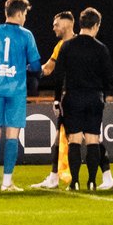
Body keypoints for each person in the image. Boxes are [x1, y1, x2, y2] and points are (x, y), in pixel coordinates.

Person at [49, 8, 113, 190]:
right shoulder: (101, 48)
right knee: (93, 139)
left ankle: (75, 182)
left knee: (75, 139)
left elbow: (59, 75)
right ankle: (92, 181)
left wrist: (57, 99)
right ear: (96, 25)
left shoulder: (67, 46)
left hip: (73, 97)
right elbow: (109, 76)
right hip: (94, 98)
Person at [0, 0, 42, 192]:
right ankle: (7, 182)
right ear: (20, 13)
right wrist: (25, 67)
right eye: (25, 14)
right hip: (15, 90)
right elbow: (36, 66)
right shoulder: (26, 35)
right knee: (12, 134)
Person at [34, 11, 77, 190]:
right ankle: (54, 177)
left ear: (66, 25)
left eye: (56, 24)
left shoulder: (79, 43)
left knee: (91, 139)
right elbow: (48, 68)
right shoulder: (60, 45)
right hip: (67, 97)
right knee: (61, 137)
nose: (53, 28)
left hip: (77, 96)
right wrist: (29, 71)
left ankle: (106, 175)